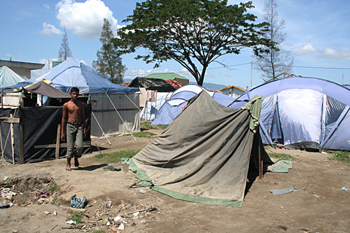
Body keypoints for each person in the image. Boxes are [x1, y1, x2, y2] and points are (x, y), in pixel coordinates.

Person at [61, 87, 86, 171]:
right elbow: (64, 118)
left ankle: (76, 156)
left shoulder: (81, 104)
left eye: (77, 94)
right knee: (70, 146)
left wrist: (84, 128)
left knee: (79, 146)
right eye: (74, 94)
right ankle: (68, 163)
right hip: (70, 125)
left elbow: (83, 116)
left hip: (79, 125)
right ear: (70, 94)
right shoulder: (66, 105)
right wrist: (62, 132)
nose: (75, 95)